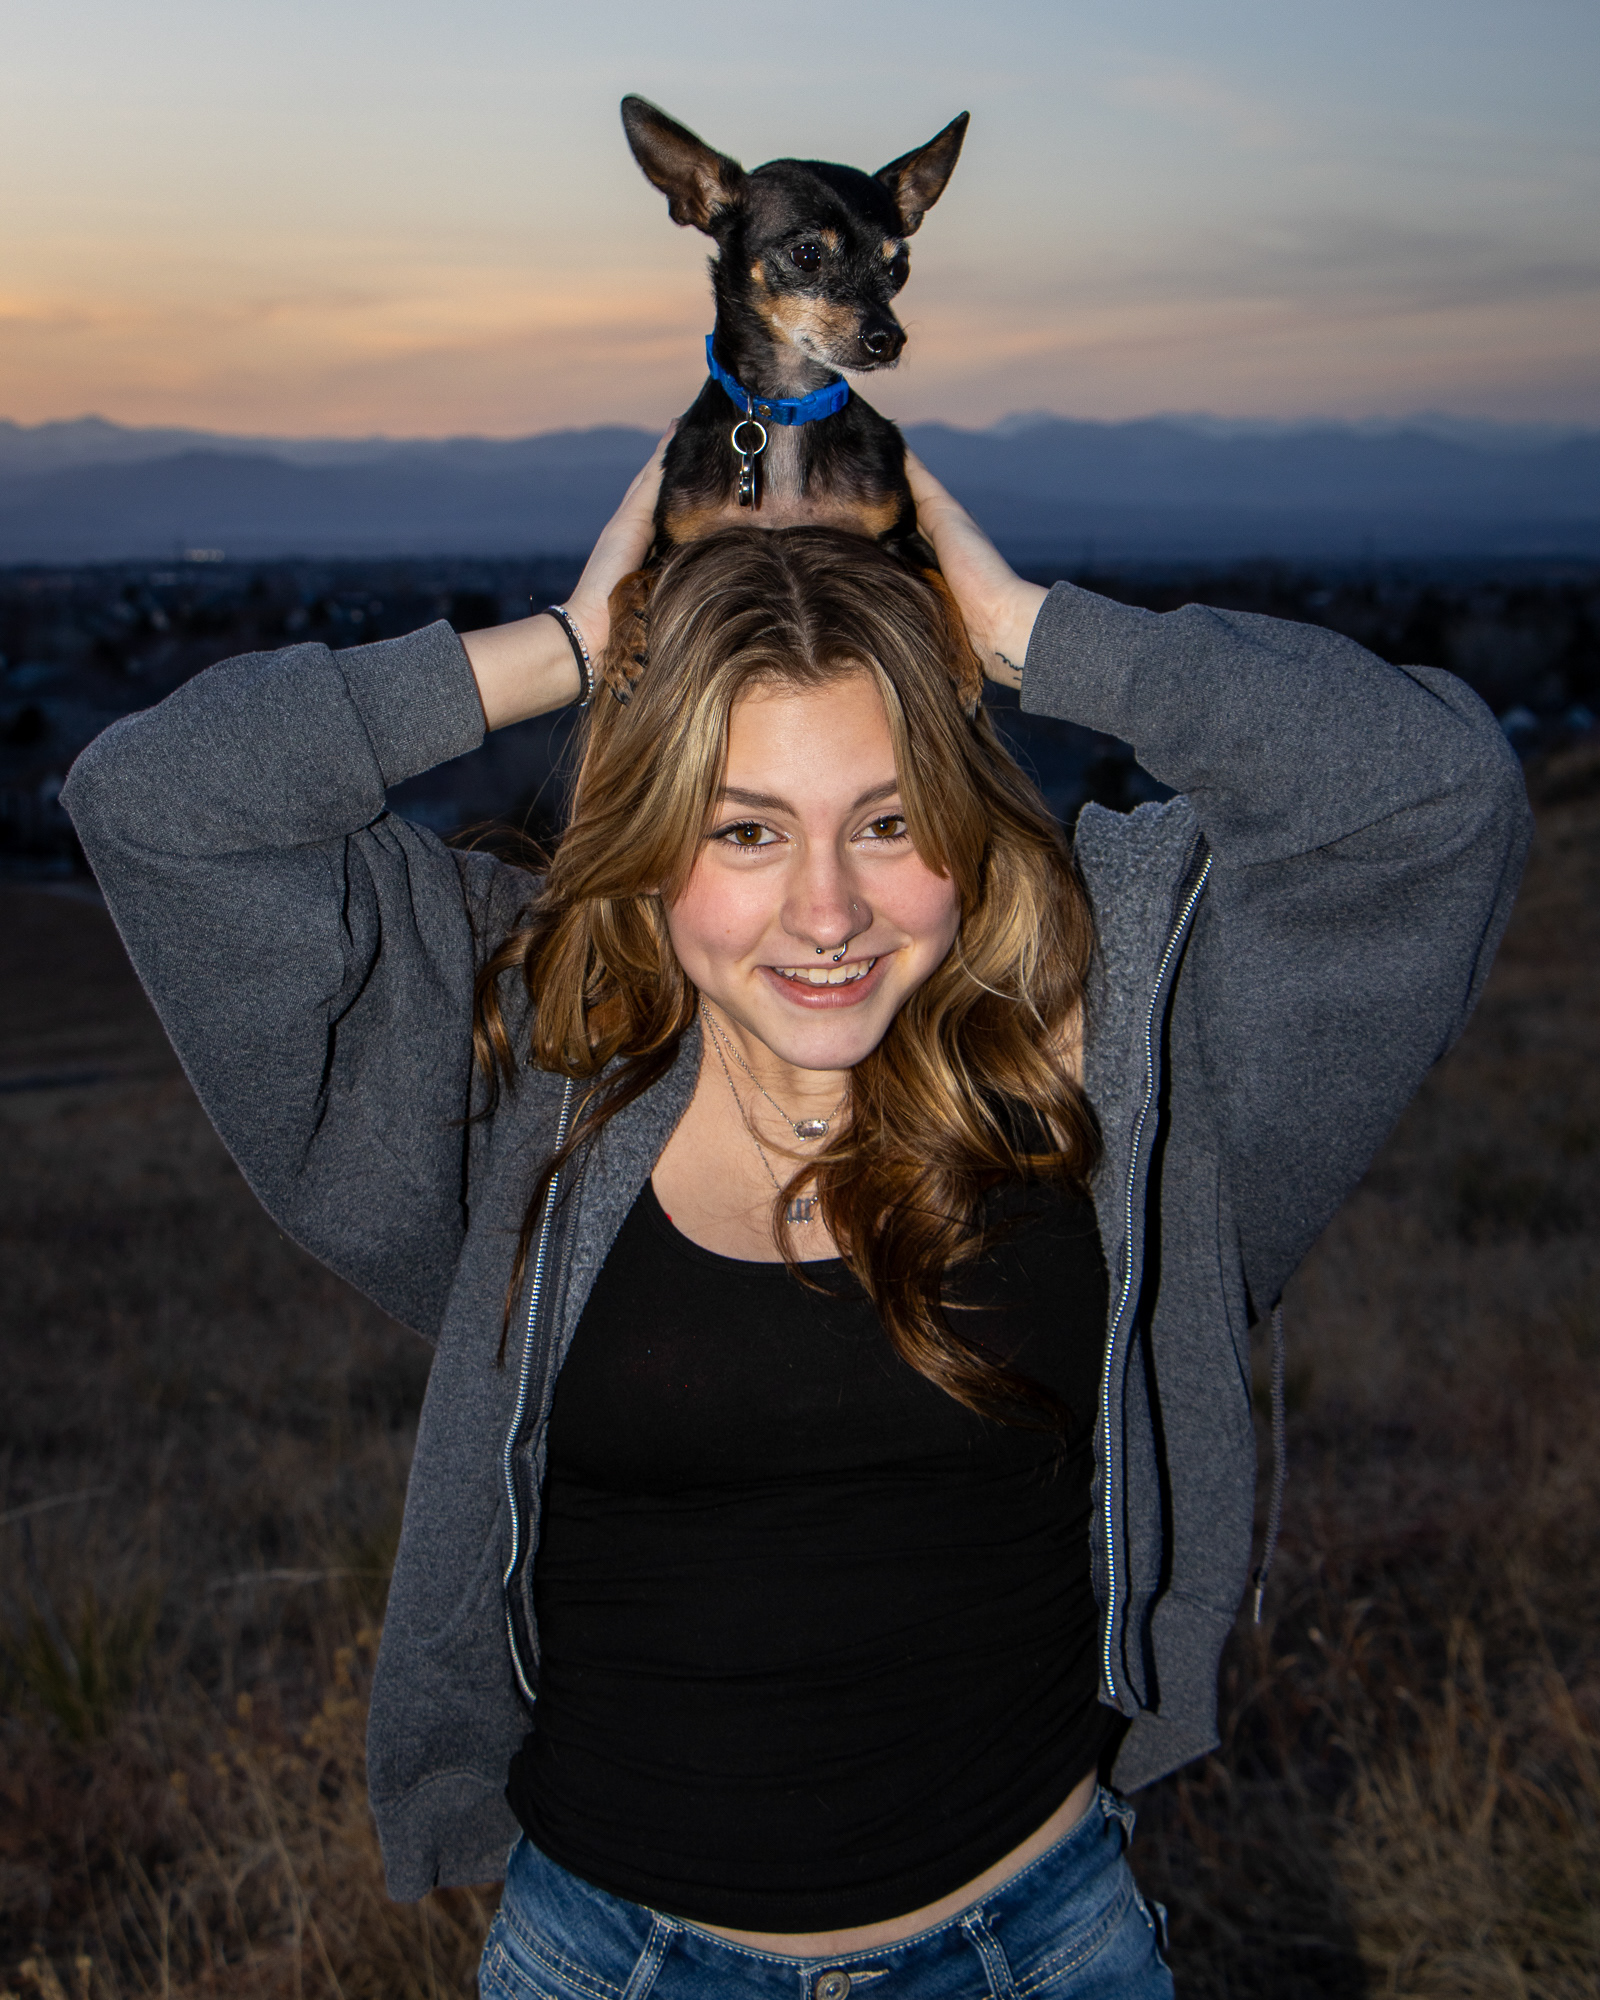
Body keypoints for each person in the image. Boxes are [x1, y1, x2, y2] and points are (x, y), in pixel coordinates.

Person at [63, 439, 1530, 2000]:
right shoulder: (529, 1057)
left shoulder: (1120, 1046)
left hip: (1039, 1952)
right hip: (608, 1964)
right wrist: (569, 647)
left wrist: (1035, 633)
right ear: (646, 838)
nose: (825, 912)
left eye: (889, 824)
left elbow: (1431, 801)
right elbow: (158, 802)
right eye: (746, 828)